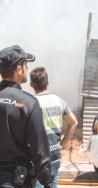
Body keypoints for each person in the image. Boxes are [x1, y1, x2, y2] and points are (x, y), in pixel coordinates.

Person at [0, 45, 53, 188]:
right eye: (26, 65)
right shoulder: (29, 103)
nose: (27, 69)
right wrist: (47, 181)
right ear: (18, 69)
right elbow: (39, 149)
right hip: (17, 181)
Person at [30, 67, 78, 188]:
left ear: (31, 84)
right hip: (54, 155)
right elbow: (74, 123)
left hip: (37, 157)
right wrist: (62, 144)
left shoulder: (31, 103)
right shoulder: (59, 102)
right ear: (47, 82)